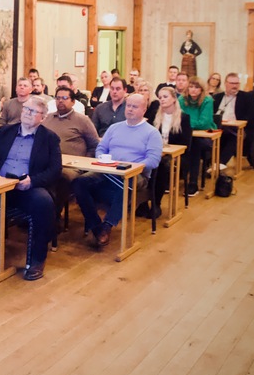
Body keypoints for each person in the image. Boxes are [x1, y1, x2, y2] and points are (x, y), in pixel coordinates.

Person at [0, 96, 60, 280]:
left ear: (42, 117)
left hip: (26, 188)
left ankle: (36, 259)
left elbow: (55, 169)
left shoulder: (49, 138)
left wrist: (32, 181)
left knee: (44, 203)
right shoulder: (5, 131)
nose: (27, 113)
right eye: (26, 109)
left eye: (33, 111)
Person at [72, 94, 162, 247]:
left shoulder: (152, 133)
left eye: (135, 106)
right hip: (107, 170)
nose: (130, 109)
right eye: (128, 106)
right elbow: (101, 147)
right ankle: (95, 225)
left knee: (127, 184)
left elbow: (153, 160)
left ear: (144, 110)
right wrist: (102, 158)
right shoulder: (115, 128)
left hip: (134, 175)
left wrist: (131, 168)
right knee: (79, 182)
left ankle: (107, 225)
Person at [41, 86, 99, 222]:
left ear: (73, 102)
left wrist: (85, 162)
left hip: (72, 166)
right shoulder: (48, 119)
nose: (60, 101)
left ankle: (53, 217)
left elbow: (94, 145)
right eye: (58, 98)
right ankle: (37, 212)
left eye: (65, 98)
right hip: (49, 162)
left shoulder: (82, 120)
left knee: (61, 177)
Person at [140, 86, 192, 218]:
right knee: (143, 164)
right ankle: (143, 202)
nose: (162, 100)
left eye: (165, 97)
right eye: (160, 97)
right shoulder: (154, 115)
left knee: (160, 166)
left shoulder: (184, 118)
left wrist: (168, 149)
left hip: (175, 155)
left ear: (174, 99)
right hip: (157, 151)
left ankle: (156, 203)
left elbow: (186, 143)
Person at [213, 72, 254, 170]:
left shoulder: (246, 97)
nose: (234, 86)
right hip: (219, 127)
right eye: (232, 83)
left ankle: (219, 163)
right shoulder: (217, 97)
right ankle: (212, 163)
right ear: (225, 83)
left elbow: (252, 115)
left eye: (237, 83)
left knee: (235, 136)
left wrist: (236, 122)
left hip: (238, 128)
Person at [179, 76, 216, 197]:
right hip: (187, 135)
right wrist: (188, 124)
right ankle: (172, 179)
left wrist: (187, 124)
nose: (193, 90)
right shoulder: (181, 99)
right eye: (191, 87)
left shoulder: (207, 100)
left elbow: (204, 122)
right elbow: (178, 118)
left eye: (196, 87)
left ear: (201, 89)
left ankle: (193, 182)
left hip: (205, 137)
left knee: (194, 144)